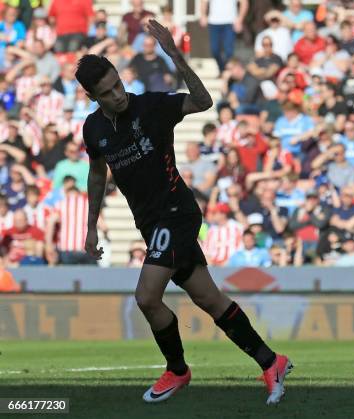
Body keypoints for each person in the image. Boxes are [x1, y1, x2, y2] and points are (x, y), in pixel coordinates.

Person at [77, 20, 292, 404]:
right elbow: (97, 176)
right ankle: (271, 361)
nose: (118, 94)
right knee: (209, 300)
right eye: (107, 93)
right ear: (93, 97)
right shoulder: (93, 130)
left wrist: (174, 54)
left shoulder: (151, 106)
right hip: (150, 223)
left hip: (177, 212)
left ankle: (177, 370)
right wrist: (91, 227)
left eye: (117, 83)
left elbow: (203, 101)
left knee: (146, 296)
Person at [200, 0, 249, 72]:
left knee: (229, 51)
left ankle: (228, 72)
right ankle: (222, 69)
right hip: (214, 22)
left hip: (230, 23)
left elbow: (244, 2)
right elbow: (204, 2)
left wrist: (240, 19)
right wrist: (203, 15)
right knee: (214, 50)